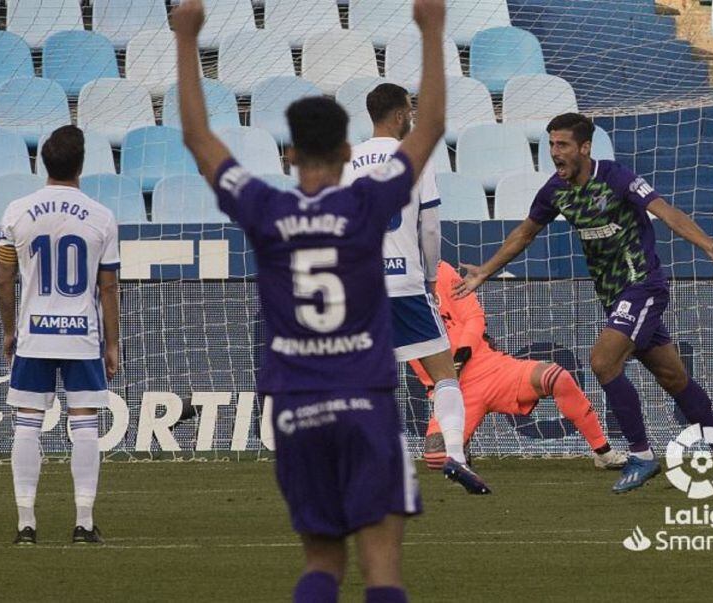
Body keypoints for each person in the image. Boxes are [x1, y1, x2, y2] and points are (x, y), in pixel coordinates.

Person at [174, 1, 446, 599]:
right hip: (366, 402)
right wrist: (431, 29)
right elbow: (428, 129)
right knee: (382, 569)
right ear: (348, 154)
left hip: (297, 407)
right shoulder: (365, 204)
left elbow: (197, 137)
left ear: (289, 155)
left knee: (322, 563)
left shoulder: (265, 208)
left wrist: (187, 38)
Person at [455, 112, 713, 498]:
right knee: (674, 378)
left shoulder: (616, 177)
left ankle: (641, 455)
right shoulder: (555, 191)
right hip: (613, 296)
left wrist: (708, 245)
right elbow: (524, 233)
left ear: (585, 147)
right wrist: (485, 271)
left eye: (563, 145)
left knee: (603, 362)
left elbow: (666, 212)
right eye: (551, 145)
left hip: (642, 285)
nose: (555, 152)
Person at [340, 83, 490, 495]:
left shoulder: (347, 161)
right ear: (398, 115)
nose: (413, 117)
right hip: (405, 284)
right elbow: (430, 227)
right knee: (444, 375)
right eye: (410, 110)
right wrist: (429, 276)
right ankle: (455, 455)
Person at [0, 125, 121, 544]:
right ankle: (83, 523)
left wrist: (9, 332)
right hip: (81, 333)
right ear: (81, 165)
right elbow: (108, 287)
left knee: (27, 424)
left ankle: (25, 525)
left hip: (34, 332)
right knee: (84, 423)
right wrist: (112, 343)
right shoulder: (102, 216)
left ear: (43, 163)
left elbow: (5, 279)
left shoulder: (16, 212)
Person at [410, 260, 627, 472]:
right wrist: (438, 382)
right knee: (437, 458)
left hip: (491, 369)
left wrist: (459, 358)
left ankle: (602, 452)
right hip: (454, 389)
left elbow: (474, 317)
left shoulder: (441, 270)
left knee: (556, 377)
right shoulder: (394, 297)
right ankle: (461, 441)